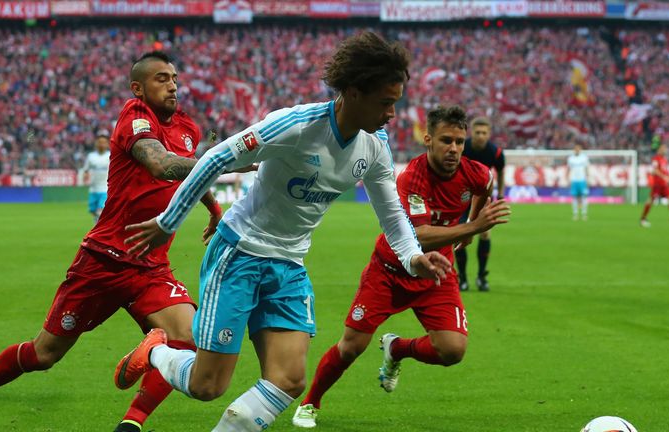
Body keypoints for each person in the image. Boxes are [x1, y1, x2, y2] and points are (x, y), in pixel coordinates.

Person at [114, 32, 451, 432]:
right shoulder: (294, 125)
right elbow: (216, 158)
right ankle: (156, 351)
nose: (392, 114)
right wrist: (169, 221)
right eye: (385, 102)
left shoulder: (375, 145)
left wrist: (413, 256)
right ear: (354, 93)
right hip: (239, 254)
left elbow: (392, 213)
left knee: (289, 380)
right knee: (208, 386)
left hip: (289, 265)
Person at [0, 51, 225, 432]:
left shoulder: (187, 126)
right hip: (104, 261)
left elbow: (184, 171)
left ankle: (130, 424)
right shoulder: (134, 117)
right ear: (137, 88)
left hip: (151, 265)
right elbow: (160, 163)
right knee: (44, 354)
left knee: (187, 338)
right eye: (161, 78)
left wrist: (214, 207)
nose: (172, 84)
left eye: (174, 77)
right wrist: (225, 159)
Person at [291, 105, 510, 428]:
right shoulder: (412, 178)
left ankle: (397, 348)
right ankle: (310, 403)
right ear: (428, 139)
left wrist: (472, 220)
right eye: (446, 140)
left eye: (459, 142)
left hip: (437, 275)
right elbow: (417, 236)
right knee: (352, 347)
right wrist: (472, 229)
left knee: (453, 350)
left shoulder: (476, 172)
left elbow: (484, 188)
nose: (454, 149)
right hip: (391, 273)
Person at [454, 116, 505, 292]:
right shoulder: (462, 147)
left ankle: (481, 276)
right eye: (478, 132)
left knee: (484, 235)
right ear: (471, 133)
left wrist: (501, 194)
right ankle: (462, 279)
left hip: (484, 196)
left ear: (489, 133)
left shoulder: (496, 152)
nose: (481, 136)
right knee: (459, 235)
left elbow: (500, 171)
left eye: (484, 132)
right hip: (462, 197)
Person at [640, 145, 669, 227]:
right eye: (663, 149)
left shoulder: (664, 159)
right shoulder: (656, 159)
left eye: (665, 149)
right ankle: (643, 219)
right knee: (651, 200)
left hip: (664, 184)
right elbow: (654, 170)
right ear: (659, 150)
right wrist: (664, 176)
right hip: (657, 184)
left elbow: (664, 170)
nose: (665, 150)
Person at [80, 129, 111, 222]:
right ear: (96, 144)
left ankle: (99, 230)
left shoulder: (110, 156)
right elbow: (86, 169)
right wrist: (85, 176)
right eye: (100, 142)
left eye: (104, 142)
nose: (101, 144)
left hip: (105, 189)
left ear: (107, 144)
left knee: (100, 211)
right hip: (93, 189)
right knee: (93, 211)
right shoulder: (91, 156)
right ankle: (97, 225)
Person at [567, 143, 590, 221]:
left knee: (584, 197)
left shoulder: (584, 158)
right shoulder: (570, 158)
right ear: (574, 150)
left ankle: (584, 214)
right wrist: (568, 179)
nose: (577, 150)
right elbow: (568, 169)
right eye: (575, 149)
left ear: (580, 150)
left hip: (582, 180)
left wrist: (588, 179)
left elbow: (586, 169)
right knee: (574, 197)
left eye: (578, 149)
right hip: (574, 180)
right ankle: (575, 214)